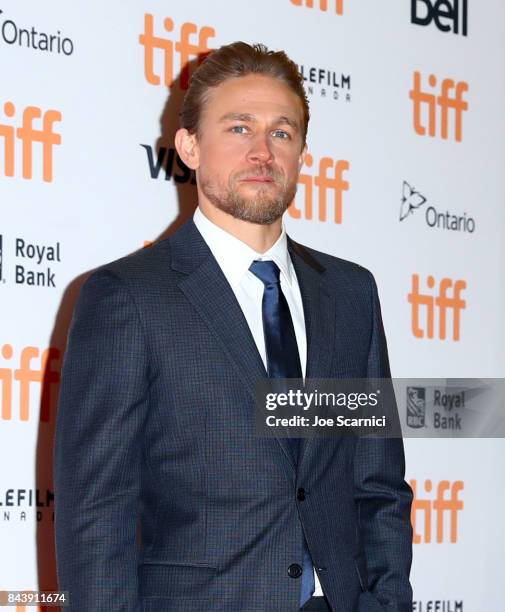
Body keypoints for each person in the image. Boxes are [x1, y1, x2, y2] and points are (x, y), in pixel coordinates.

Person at [54, 42, 413, 612]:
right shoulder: (127, 297)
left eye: (282, 132)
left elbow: (379, 484)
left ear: (301, 153)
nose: (263, 151)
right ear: (190, 146)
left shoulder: (351, 295)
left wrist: (389, 600)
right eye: (239, 128)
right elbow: (95, 513)